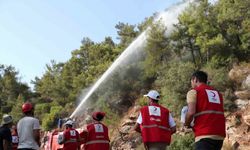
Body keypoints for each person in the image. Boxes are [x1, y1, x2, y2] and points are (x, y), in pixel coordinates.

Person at [184, 71, 226, 150]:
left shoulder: (194, 92)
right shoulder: (218, 94)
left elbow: (191, 112)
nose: (191, 84)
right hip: (219, 135)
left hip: (204, 134)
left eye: (191, 81)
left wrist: (186, 124)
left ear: (195, 79)